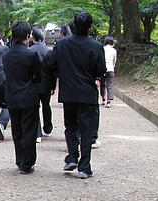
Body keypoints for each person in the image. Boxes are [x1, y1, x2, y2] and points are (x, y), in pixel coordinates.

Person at [46, 11, 106, 179]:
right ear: (91, 26)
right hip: (87, 92)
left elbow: (51, 63)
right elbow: (101, 70)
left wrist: (63, 75)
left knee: (71, 126)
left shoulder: (62, 44)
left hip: (69, 91)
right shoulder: (96, 45)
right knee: (87, 130)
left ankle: (72, 156)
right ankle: (84, 166)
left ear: (73, 25)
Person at [2, 20, 42, 174]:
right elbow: (39, 76)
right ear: (27, 36)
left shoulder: (6, 55)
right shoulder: (32, 54)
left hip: (12, 95)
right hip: (28, 96)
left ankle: (20, 159)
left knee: (17, 130)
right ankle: (27, 162)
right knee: (29, 130)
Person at [29, 25, 55, 141]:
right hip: (46, 84)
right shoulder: (48, 52)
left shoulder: (29, 51)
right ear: (43, 38)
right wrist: (53, 85)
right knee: (46, 105)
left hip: (33, 84)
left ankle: (37, 133)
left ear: (33, 37)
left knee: (34, 107)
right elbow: (53, 70)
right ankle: (48, 128)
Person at [100, 35, 117, 108]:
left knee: (102, 84)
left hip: (102, 68)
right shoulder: (114, 50)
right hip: (110, 69)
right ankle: (109, 101)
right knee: (110, 85)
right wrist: (113, 66)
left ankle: (103, 99)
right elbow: (114, 60)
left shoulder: (102, 49)